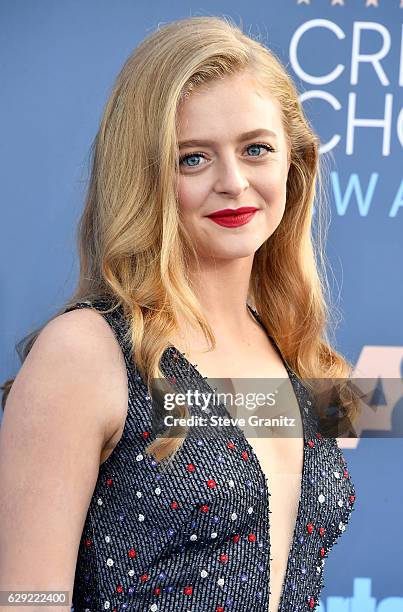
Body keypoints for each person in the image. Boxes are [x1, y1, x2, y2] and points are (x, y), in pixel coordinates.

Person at [0, 15, 359, 612]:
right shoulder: (86, 351)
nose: (233, 182)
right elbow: (25, 600)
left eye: (256, 149)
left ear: (294, 165)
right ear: (143, 175)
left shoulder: (288, 350)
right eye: (193, 158)